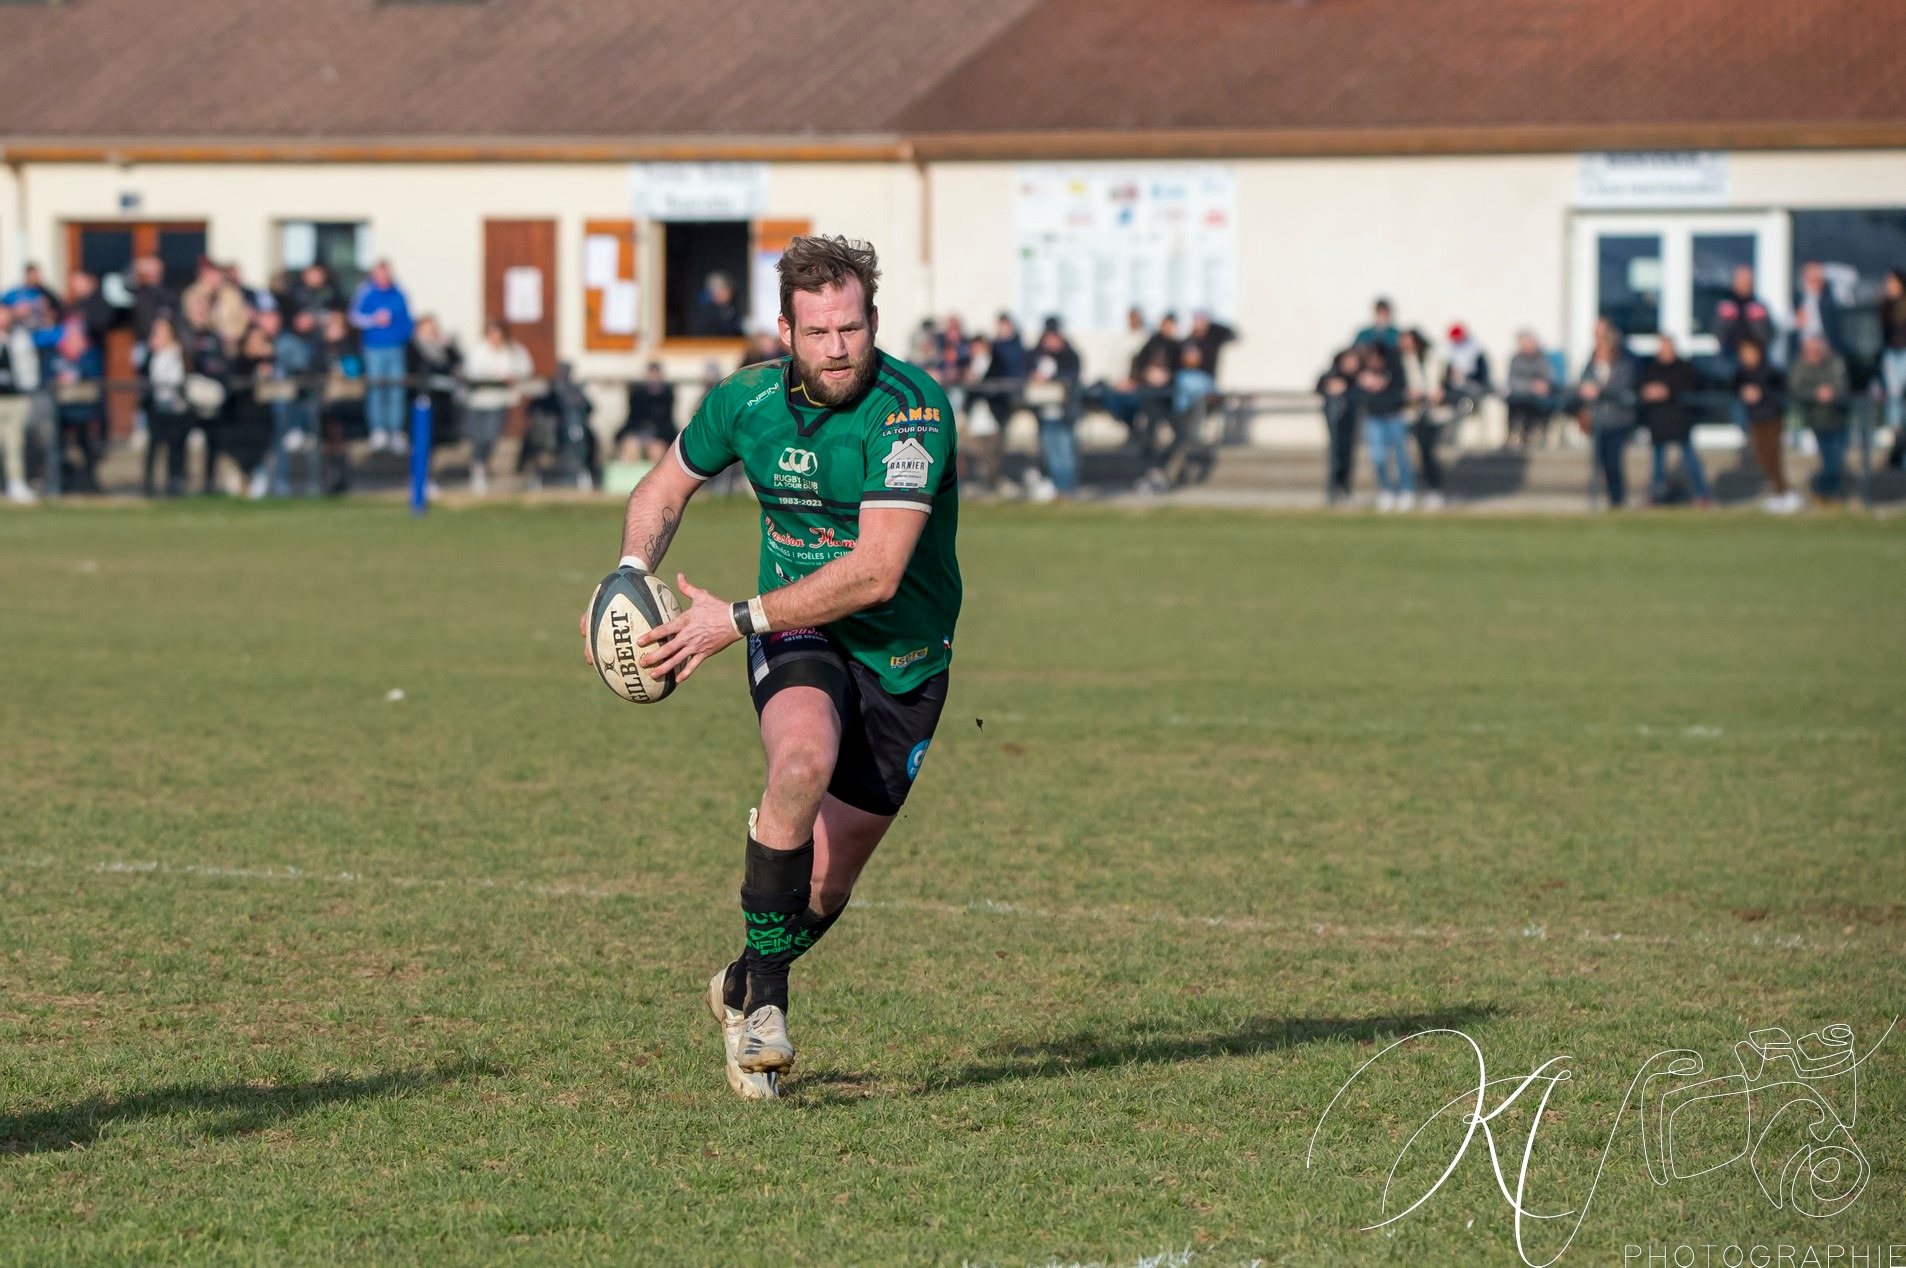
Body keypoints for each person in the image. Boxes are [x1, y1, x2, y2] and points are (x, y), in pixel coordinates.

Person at [577, 235, 960, 1101]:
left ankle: (744, 977)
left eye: (852, 329)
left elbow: (877, 570)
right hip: (797, 632)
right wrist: (632, 574)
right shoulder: (744, 400)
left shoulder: (912, 410)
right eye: (819, 331)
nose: (838, 348)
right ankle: (766, 1016)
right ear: (786, 330)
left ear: (873, 323)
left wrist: (732, 618)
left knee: (825, 885)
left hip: (903, 657)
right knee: (798, 764)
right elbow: (660, 491)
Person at [349, 259, 414, 453]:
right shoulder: (366, 291)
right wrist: (374, 319)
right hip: (374, 348)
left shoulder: (399, 293)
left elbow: (407, 319)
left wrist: (403, 337)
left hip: (395, 347)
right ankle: (378, 429)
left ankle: (395, 430)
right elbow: (354, 316)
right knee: (376, 388)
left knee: (396, 389)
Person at [1637, 335, 1709, 507]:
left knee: (1690, 460)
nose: (1665, 350)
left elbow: (1692, 386)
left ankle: (1702, 495)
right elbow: (1640, 386)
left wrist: (1667, 390)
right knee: (1658, 465)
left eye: (1668, 346)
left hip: (1679, 421)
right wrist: (1647, 392)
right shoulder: (1651, 368)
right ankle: (1655, 497)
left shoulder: (1684, 368)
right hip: (1658, 421)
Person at [459, 319, 530, 495]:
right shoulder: (478, 350)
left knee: (491, 435)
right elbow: (471, 371)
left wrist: (512, 376)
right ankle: (478, 468)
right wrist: (491, 376)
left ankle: (482, 464)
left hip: (498, 400)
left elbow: (525, 368)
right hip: (478, 400)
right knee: (478, 437)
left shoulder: (512, 351)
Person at [1574, 317, 1639, 509]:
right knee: (1600, 463)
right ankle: (1604, 499)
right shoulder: (1592, 362)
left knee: (1613, 462)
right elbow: (1583, 382)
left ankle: (1617, 500)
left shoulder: (1626, 362)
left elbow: (1625, 388)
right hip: (1599, 420)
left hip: (1618, 420)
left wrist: (1600, 391)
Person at [1733, 338, 1797, 514]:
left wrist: (1761, 394)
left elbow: (1781, 391)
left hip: (1772, 418)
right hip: (1755, 419)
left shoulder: (1770, 370)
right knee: (1762, 458)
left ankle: (1786, 493)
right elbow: (1733, 387)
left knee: (1772, 456)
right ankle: (1779, 493)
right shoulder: (1742, 373)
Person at [1787, 334, 1851, 503]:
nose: (1813, 353)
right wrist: (1816, 394)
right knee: (1831, 461)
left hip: (1839, 417)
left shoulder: (1834, 362)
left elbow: (1842, 385)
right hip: (1818, 420)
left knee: (1837, 461)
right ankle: (1822, 489)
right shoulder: (1801, 365)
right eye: (1809, 350)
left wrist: (1832, 392)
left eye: (1816, 349)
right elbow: (1795, 389)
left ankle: (1828, 493)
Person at [48, 316, 104, 494]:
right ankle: (61, 482)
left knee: (86, 448)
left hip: (84, 411)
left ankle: (90, 483)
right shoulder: (57, 354)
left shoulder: (90, 354)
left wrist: (75, 377)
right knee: (58, 448)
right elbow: (48, 374)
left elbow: (94, 375)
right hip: (61, 411)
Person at [1027, 318, 1081, 501]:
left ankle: (1066, 489)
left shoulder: (1069, 355)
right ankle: (1057, 489)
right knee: (1050, 453)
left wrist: (1051, 377)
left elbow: (1072, 375)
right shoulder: (1037, 355)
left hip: (1063, 413)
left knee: (1065, 453)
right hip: (1045, 412)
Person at [1357, 340, 1412, 510]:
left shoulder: (1394, 370)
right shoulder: (1362, 373)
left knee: (1401, 457)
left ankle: (1406, 490)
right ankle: (1386, 490)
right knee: (1378, 457)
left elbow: (1402, 389)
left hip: (1394, 417)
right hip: (1374, 418)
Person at [140, 315, 192, 497]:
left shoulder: (179, 353)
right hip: (157, 408)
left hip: (176, 408)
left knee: (176, 446)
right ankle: (148, 483)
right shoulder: (152, 354)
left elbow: (178, 379)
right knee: (154, 446)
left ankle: (176, 482)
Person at [1398, 328, 1448, 509]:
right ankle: (1410, 490)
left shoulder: (1435, 359)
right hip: (1413, 412)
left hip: (1434, 412)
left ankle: (1435, 489)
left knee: (1429, 452)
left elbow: (1447, 380)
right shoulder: (1403, 361)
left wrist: (1441, 391)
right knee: (1411, 453)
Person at [0, 304, 39, 502]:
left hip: (15, 398)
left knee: (14, 444)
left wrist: (28, 390)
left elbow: (29, 366)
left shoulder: (19, 338)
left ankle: (16, 483)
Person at [1316, 347, 1360, 504]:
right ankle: (1334, 488)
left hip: (1350, 422)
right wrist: (1331, 386)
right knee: (1335, 455)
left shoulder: (1355, 378)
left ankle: (1344, 488)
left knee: (1346, 455)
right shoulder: (1331, 375)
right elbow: (1319, 387)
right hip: (1335, 422)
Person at [959, 334, 1002, 495]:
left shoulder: (995, 363)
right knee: (976, 451)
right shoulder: (969, 364)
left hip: (991, 413)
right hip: (976, 414)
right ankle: (982, 483)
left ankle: (993, 484)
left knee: (991, 452)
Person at [1714, 266, 1774, 373]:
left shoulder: (1758, 306)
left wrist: (1754, 351)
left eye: (1748, 279)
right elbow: (1717, 331)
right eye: (1742, 279)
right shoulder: (1725, 305)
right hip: (1730, 356)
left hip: (1756, 360)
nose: (1745, 283)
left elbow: (1770, 333)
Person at [1504, 331, 1558, 448]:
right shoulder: (1516, 360)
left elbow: (1550, 378)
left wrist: (1543, 386)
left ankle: (1536, 433)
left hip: (1540, 397)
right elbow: (1512, 381)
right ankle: (1514, 434)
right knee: (1513, 402)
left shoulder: (1543, 359)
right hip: (1522, 395)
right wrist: (1530, 386)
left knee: (1543, 404)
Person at [620, 361, 679, 463]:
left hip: (660, 434)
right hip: (638, 431)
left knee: (656, 451)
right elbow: (632, 419)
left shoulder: (667, 396)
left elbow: (667, 423)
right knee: (630, 447)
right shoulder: (638, 395)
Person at [1790, 261, 1846, 361]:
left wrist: (1825, 271)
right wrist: (1795, 321)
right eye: (1809, 276)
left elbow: (1851, 277)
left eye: (1816, 276)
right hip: (1803, 353)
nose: (1813, 280)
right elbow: (1782, 323)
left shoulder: (1832, 297)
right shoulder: (1797, 300)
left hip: (1827, 352)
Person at [1879, 269, 1906, 459]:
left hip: (1904, 352)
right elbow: (1883, 331)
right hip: (1891, 353)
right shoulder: (1885, 305)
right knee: (1894, 396)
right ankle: (1897, 438)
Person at [687, 272, 743, 338]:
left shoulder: (732, 310)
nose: (728, 293)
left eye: (728, 289)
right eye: (723, 290)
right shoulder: (705, 311)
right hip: (710, 346)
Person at [1186, 310, 1236, 381]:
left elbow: (1232, 335)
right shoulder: (1189, 340)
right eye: (1197, 320)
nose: (1199, 323)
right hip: (1191, 375)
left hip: (1207, 378)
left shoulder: (1213, 338)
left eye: (1201, 320)